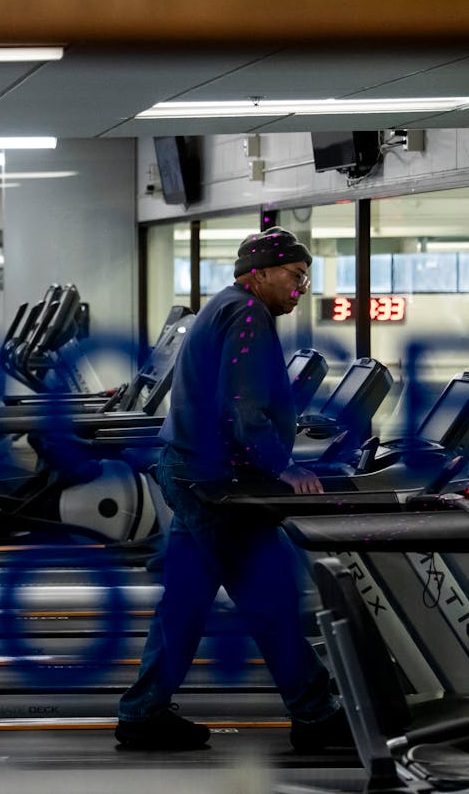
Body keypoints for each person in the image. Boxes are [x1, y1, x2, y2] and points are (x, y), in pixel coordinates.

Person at [115, 226, 353, 752]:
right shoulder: (249, 314)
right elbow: (241, 406)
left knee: (185, 603)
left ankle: (142, 714)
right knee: (268, 598)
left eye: (306, 277)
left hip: (195, 473)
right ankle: (315, 717)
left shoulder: (224, 307)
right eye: (294, 275)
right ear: (261, 273)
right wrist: (281, 466)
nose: (302, 286)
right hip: (214, 484)